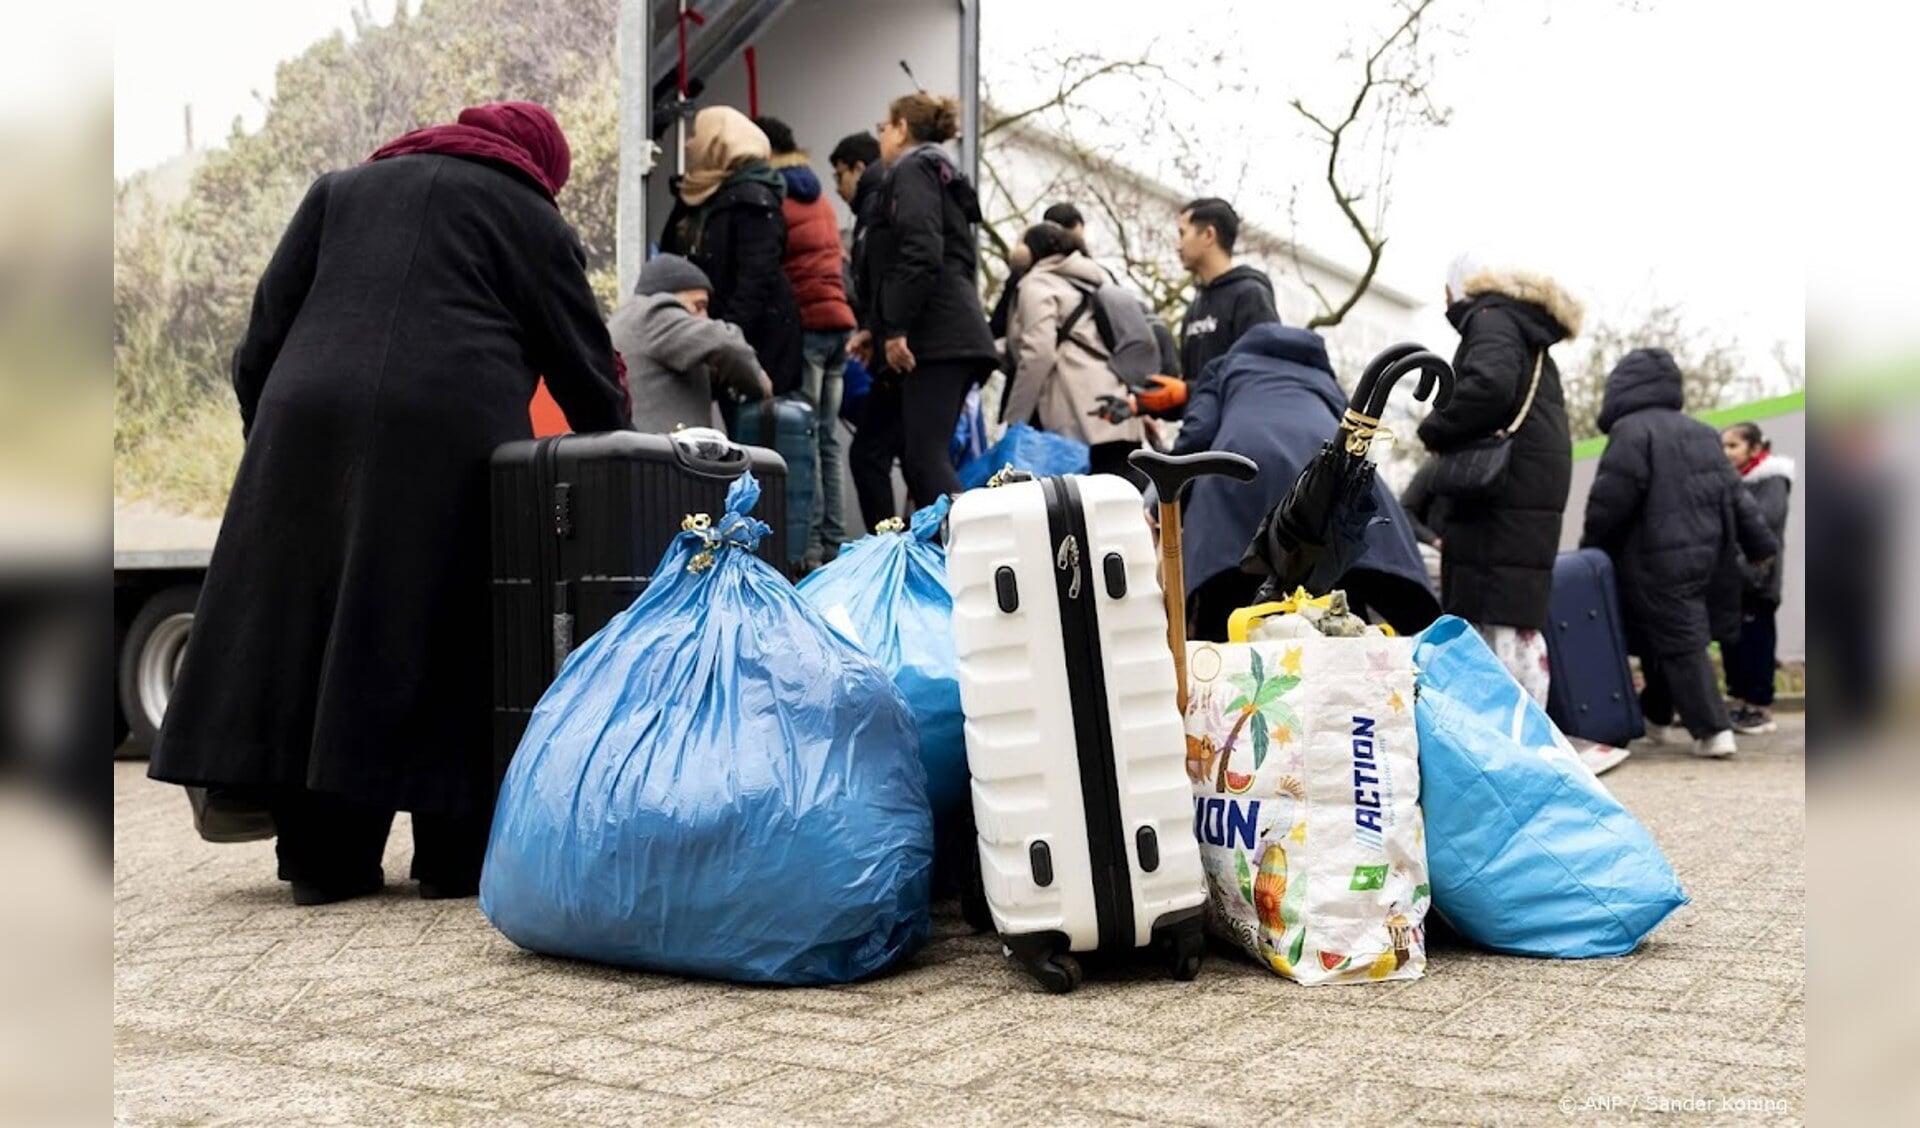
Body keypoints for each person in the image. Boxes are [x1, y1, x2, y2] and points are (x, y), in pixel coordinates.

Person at [148, 102, 631, 905]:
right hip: (451, 427)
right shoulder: (528, 216)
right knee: (446, 630)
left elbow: (260, 338)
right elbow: (581, 364)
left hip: (303, 423)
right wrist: (618, 456)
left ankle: (323, 861)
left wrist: (274, 449)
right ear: (540, 164)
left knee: (317, 629)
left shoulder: (339, 192)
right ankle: (452, 858)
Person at [1165, 323, 1440, 642]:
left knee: (1233, 629)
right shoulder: (1322, 379)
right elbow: (1355, 434)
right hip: (1328, 482)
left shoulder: (1227, 367)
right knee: (1341, 618)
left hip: (1239, 485)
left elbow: (1196, 436)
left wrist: (1163, 505)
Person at [1581, 348, 1779, 758]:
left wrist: (1591, 552)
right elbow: (1736, 494)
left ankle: (1713, 731)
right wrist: (1761, 545)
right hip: (1710, 556)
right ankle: (1655, 717)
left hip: (1656, 559)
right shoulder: (1703, 433)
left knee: (1680, 641)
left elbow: (1610, 501)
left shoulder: (1632, 432)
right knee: (1666, 639)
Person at [1416, 252, 1581, 704]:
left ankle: (1511, 739)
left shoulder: (1490, 317)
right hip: (1525, 484)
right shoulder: (1525, 329)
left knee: (1492, 619)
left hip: (1500, 494)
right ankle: (1528, 731)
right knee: (1513, 619)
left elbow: (1488, 385)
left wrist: (1436, 426)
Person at [846, 92, 997, 529]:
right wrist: (878, 329)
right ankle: (926, 557)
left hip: (937, 337)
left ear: (902, 129)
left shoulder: (912, 169)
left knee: (925, 459)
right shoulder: (938, 172)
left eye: (884, 127)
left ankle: (975, 554)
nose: (881, 136)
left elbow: (920, 252)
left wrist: (895, 329)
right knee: (901, 455)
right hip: (947, 332)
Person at [758, 116, 858, 566]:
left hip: (809, 326)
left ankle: (810, 548)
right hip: (838, 322)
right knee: (827, 439)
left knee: (804, 438)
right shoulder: (816, 193)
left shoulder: (776, 191)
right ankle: (833, 540)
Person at [658, 106, 804, 397]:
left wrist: (721, 344)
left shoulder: (752, 200)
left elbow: (754, 282)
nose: (688, 144)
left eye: (697, 135)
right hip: (711, 338)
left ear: (718, 143)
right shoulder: (697, 196)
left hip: (754, 346)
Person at [1001, 222, 1144, 480]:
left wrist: (1016, 420)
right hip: (1117, 407)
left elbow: (1038, 353)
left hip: (1076, 417)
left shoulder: (1037, 284)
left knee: (1079, 510)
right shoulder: (1098, 277)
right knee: (1121, 507)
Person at [608, 253, 771, 433]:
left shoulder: (629, 322)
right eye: (699, 306)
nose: (705, 318)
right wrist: (758, 381)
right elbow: (726, 344)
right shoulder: (654, 313)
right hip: (661, 454)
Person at [1720, 421, 1794, 735]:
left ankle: (1760, 706)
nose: (1727, 452)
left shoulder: (1772, 479)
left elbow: (1764, 520)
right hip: (1734, 577)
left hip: (1758, 577)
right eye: (1724, 446)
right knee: (1733, 642)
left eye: (1733, 445)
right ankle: (1740, 702)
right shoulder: (1734, 481)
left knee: (1757, 641)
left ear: (1755, 448)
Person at [1172, 197, 1279, 402]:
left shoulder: (1251, 296)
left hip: (1238, 431)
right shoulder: (1194, 308)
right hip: (1199, 431)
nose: (1178, 246)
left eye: (1182, 234)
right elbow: (1191, 391)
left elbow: (1260, 376)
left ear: (1208, 235)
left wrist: (1188, 391)